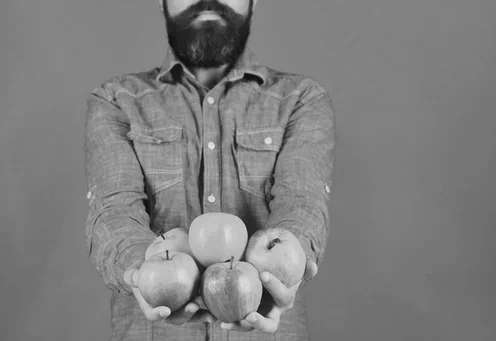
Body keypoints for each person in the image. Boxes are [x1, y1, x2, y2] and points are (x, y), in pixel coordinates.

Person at [83, 0, 335, 340]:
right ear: (162, 2)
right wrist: (141, 272)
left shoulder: (301, 99)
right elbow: (113, 210)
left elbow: (302, 203)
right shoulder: (117, 99)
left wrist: (283, 270)